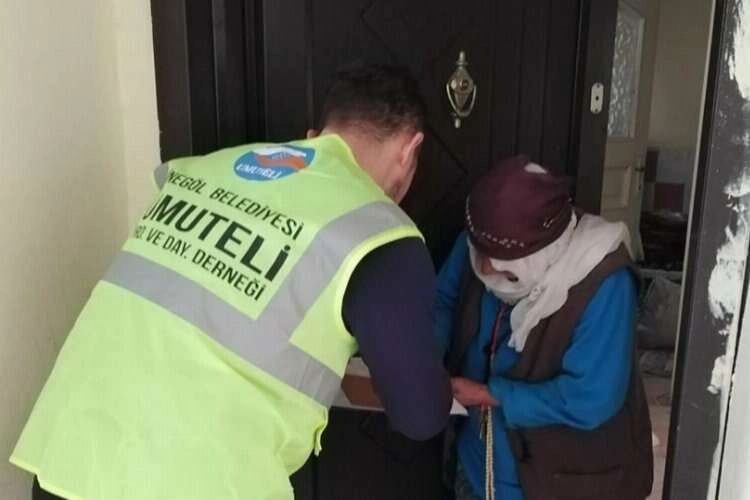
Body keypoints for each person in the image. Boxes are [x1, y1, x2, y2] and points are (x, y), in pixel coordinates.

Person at [12, 63, 452, 500]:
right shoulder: (378, 231)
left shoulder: (203, 172)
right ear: (410, 148)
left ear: (316, 134)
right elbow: (420, 416)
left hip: (67, 464)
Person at [435, 156, 653, 500]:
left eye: (503, 267)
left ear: (539, 256)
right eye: (481, 256)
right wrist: (427, 363)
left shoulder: (603, 282)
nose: (486, 268)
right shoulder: (482, 237)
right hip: (478, 464)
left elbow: (591, 397)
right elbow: (443, 300)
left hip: (560, 482)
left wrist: (490, 395)